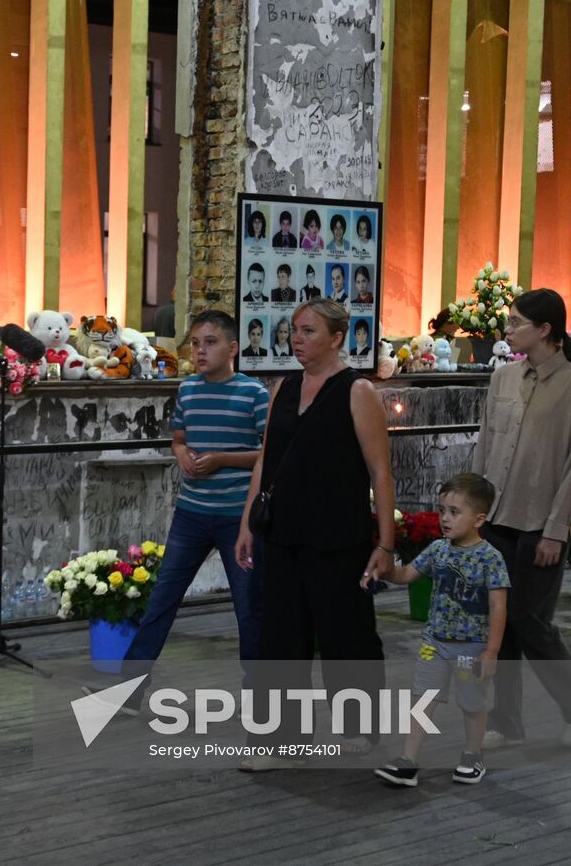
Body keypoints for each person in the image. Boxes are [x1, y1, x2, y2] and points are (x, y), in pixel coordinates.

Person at [235, 298, 395, 770]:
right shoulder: (284, 387)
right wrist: (247, 521)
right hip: (283, 531)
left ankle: (360, 728)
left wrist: (385, 543)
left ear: (337, 337)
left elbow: (380, 471)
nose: (297, 339)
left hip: (337, 533)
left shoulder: (357, 390)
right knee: (280, 637)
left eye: (308, 331)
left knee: (346, 634)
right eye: (294, 331)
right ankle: (280, 739)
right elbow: (266, 459)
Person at [93, 311, 268, 712]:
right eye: (195, 343)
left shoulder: (254, 394)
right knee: (161, 601)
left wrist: (222, 458)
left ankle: (261, 700)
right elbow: (178, 438)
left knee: (249, 610)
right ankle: (131, 690)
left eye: (210, 342)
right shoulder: (188, 390)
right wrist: (182, 454)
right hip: (191, 513)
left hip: (235, 518)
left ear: (233, 348)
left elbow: (269, 455)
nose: (200, 351)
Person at [471, 287, 571, 750]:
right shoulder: (502, 378)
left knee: (530, 620)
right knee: (499, 623)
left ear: (545, 330)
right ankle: (506, 721)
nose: (507, 330)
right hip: (498, 518)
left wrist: (555, 529)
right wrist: (474, 513)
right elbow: (486, 445)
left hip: (541, 523)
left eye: (516, 323)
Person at [372, 474, 510, 788]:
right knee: (422, 699)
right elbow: (408, 573)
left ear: (479, 519)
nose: (444, 519)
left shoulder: (491, 559)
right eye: (442, 510)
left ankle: (472, 755)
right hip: (433, 642)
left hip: (471, 648)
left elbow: (498, 607)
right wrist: (387, 569)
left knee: (471, 703)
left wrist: (491, 651)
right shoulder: (437, 550)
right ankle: (408, 761)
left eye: (454, 512)